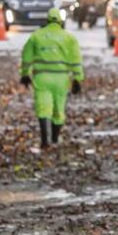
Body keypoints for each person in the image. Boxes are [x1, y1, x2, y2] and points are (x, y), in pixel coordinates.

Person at [20, 8, 84, 148]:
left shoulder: (36, 36)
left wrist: (25, 74)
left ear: (46, 20)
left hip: (42, 78)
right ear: (61, 22)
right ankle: (55, 139)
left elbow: (26, 57)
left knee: (43, 108)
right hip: (61, 79)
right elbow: (75, 60)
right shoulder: (69, 38)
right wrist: (77, 79)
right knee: (59, 110)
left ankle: (44, 141)